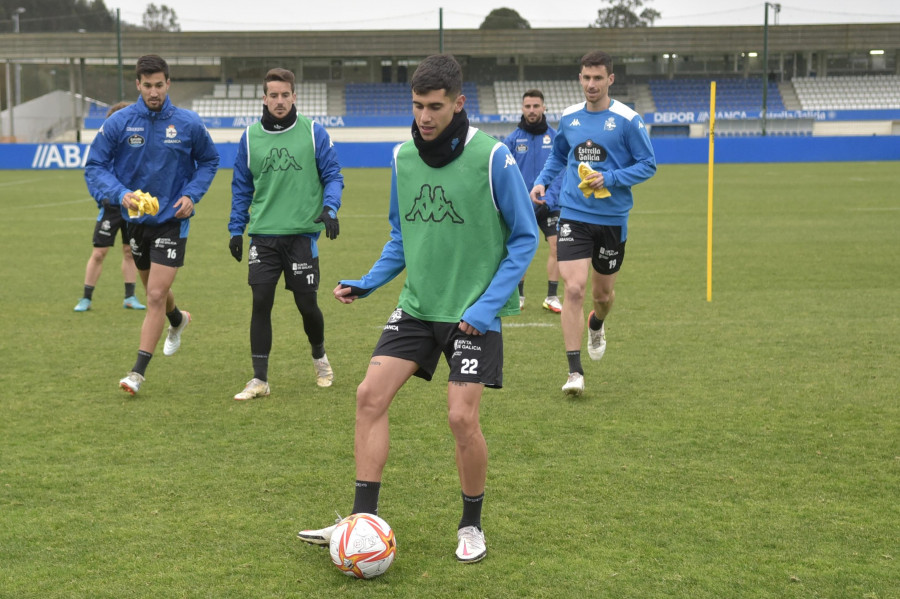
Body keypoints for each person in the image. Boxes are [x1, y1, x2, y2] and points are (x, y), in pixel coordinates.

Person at [297, 54, 539, 563]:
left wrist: (487, 306)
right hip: (417, 307)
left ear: (458, 103)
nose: (425, 117)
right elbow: (401, 235)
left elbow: (524, 238)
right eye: (417, 106)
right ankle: (363, 520)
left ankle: (471, 525)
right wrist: (367, 283)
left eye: (435, 107)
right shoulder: (403, 157)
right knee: (368, 395)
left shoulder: (493, 158)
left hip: (473, 313)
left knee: (460, 419)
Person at [84, 54, 220, 395]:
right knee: (154, 292)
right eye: (147, 86)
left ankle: (137, 373)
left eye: (159, 85)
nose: (154, 92)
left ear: (169, 83)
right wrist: (121, 193)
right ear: (138, 85)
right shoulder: (120, 122)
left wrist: (192, 194)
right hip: (137, 221)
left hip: (173, 220)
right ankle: (179, 320)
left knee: (156, 294)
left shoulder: (188, 123)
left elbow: (209, 160)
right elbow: (95, 165)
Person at [530, 50, 656, 397]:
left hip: (612, 219)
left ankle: (597, 324)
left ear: (610, 80)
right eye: (586, 78)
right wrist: (542, 181)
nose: (591, 84)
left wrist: (611, 178)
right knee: (573, 289)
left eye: (598, 78)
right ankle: (574, 372)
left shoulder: (628, 120)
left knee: (602, 296)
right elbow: (558, 155)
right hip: (573, 213)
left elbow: (648, 164)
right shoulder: (569, 118)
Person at [228, 67, 344, 400]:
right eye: (273, 95)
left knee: (307, 305)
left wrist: (330, 208)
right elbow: (241, 187)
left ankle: (319, 355)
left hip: (301, 237)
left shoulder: (313, 132)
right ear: (263, 99)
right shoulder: (249, 138)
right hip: (263, 236)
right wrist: (237, 229)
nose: (279, 101)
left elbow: (333, 175)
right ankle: (259, 379)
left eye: (285, 95)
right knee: (260, 301)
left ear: (295, 96)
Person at [75, 101, 146, 313]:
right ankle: (86, 298)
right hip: (110, 207)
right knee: (99, 253)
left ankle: (130, 297)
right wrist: (101, 198)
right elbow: (92, 174)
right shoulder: (105, 144)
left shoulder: (135, 144)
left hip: (131, 206)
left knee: (129, 251)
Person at [502, 89, 563, 314]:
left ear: (544, 108)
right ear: (522, 109)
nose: (532, 110)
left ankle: (552, 296)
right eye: (528, 106)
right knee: (520, 248)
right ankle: (518, 296)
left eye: (536, 106)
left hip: (550, 204)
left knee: (557, 245)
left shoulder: (556, 138)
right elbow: (506, 174)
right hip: (524, 205)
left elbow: (561, 172)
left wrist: (550, 198)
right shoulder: (512, 140)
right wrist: (518, 200)